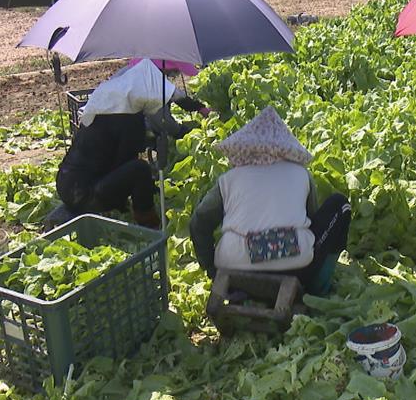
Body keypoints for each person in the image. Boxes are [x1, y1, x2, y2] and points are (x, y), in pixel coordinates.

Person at [189, 106, 351, 295]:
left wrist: (212, 270)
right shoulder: (300, 174)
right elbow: (312, 219)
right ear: (287, 147)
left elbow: (199, 222)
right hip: (295, 268)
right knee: (340, 204)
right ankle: (318, 289)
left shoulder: (230, 178)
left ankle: (239, 288)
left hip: (234, 270)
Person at [55, 59, 202, 228]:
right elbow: (125, 164)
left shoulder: (107, 105)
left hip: (67, 185)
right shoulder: (129, 120)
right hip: (85, 194)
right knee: (140, 170)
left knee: (133, 171)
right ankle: (149, 224)